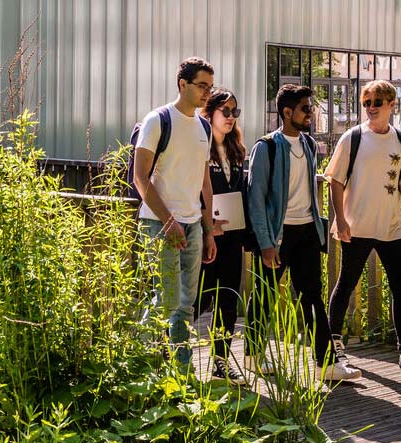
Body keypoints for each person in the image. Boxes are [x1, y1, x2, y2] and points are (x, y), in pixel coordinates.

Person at [244, 84, 361, 381]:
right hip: (278, 235)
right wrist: (266, 243)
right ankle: (252, 355)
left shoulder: (309, 144)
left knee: (312, 295)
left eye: (311, 108)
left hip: (307, 231)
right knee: (265, 294)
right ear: (287, 112)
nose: (311, 113)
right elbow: (255, 199)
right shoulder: (266, 147)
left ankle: (326, 364)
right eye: (306, 108)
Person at [324, 79, 401, 379]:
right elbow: (334, 180)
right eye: (366, 103)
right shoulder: (353, 138)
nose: (371, 108)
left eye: (376, 102)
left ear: (391, 105)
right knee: (346, 283)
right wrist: (341, 219)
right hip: (357, 224)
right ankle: (333, 346)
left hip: (392, 226)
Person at [133, 57, 219, 367]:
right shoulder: (158, 120)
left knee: (186, 305)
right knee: (164, 302)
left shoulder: (205, 127)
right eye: (201, 86)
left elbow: (204, 183)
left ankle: (180, 370)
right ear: (182, 84)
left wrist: (208, 230)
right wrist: (169, 222)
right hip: (159, 223)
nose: (207, 92)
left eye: (210, 86)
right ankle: (141, 364)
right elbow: (140, 177)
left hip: (194, 224)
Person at [195, 87, 249, 383]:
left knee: (229, 298)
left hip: (233, 235)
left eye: (234, 112)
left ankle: (220, 361)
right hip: (207, 234)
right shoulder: (200, 145)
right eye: (225, 111)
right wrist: (206, 228)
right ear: (211, 112)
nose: (230, 118)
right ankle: (170, 351)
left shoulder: (236, 150)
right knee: (200, 299)